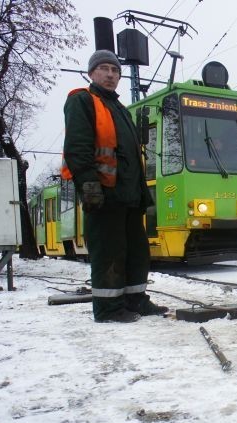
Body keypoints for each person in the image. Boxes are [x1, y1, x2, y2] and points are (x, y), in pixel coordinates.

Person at [62, 50, 167, 323]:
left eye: (115, 70)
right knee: (109, 251)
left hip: (129, 196)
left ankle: (135, 300)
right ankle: (108, 308)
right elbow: (77, 149)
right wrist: (91, 188)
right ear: (92, 73)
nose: (111, 74)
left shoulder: (119, 108)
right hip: (105, 194)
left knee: (136, 252)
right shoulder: (82, 101)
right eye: (104, 69)